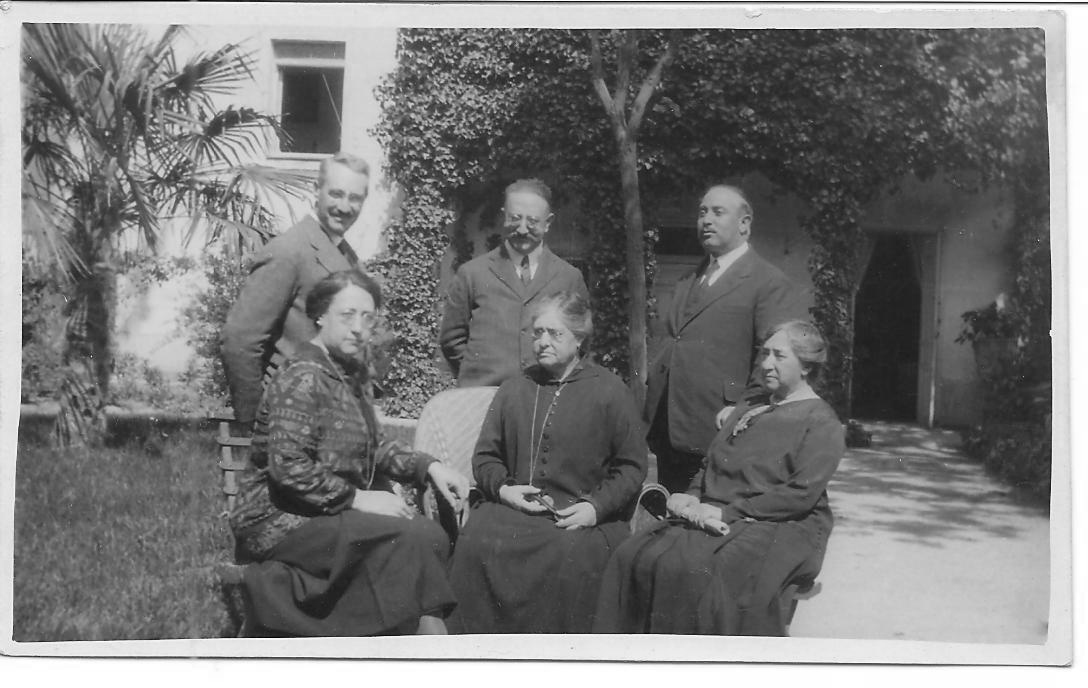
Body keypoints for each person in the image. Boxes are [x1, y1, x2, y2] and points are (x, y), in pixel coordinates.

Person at [229, 270, 470, 636]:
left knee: (429, 536)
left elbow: (373, 449)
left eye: (368, 317)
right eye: (347, 315)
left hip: (325, 512)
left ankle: (413, 644)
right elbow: (288, 467)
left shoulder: (346, 375)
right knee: (412, 538)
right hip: (279, 519)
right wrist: (359, 499)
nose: (358, 328)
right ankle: (427, 650)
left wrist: (430, 466)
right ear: (320, 316)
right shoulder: (303, 376)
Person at [594, 320, 845, 636]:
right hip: (718, 511)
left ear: (806, 366)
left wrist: (726, 512)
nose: (766, 363)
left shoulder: (820, 421)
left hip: (784, 524)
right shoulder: (749, 408)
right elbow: (710, 463)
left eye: (779, 356)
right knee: (633, 555)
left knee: (700, 573)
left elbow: (800, 494)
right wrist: (692, 496)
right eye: (764, 353)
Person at [446, 292, 647, 633]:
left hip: (577, 519)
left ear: (579, 338)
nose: (542, 341)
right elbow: (485, 457)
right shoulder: (514, 388)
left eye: (554, 333)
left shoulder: (611, 391)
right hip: (513, 511)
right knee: (476, 542)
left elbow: (631, 466)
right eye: (537, 332)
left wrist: (595, 507)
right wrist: (505, 490)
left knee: (572, 558)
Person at [645, 183, 808, 493]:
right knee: (674, 514)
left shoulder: (769, 283)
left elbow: (773, 361)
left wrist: (743, 411)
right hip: (671, 430)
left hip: (723, 430)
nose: (706, 220)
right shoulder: (689, 279)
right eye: (702, 212)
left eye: (718, 212)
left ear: (744, 224)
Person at [221, 152, 372, 432]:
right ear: (317, 190)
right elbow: (239, 340)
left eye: (354, 198)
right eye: (336, 194)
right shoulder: (289, 252)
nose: (344, 206)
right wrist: (257, 424)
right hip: (291, 425)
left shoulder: (348, 258)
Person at [439, 178, 589, 387]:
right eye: (515, 218)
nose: (522, 229)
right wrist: (479, 376)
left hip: (543, 395)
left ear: (548, 223)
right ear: (503, 216)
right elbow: (451, 339)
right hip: (485, 394)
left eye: (533, 221)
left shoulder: (569, 277)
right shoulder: (472, 273)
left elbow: (582, 340)